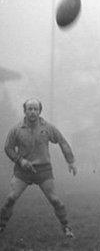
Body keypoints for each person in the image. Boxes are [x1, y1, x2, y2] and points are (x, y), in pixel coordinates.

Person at [1, 98, 77, 238]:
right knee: (10, 198)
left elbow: (62, 142)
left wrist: (70, 160)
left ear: (40, 111)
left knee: (55, 200)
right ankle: (1, 226)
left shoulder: (47, 128)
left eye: (35, 109)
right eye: (30, 109)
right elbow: (8, 148)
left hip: (43, 171)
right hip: (23, 171)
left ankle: (66, 227)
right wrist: (20, 160)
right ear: (24, 111)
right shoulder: (16, 129)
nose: (33, 112)